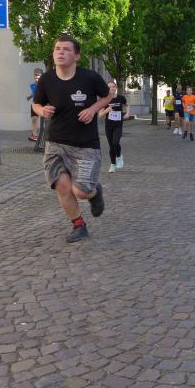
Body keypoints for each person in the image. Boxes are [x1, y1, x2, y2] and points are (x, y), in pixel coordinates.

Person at [32, 34, 113, 243]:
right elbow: (36, 103)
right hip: (55, 144)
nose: (60, 52)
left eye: (66, 49)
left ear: (76, 56)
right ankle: (78, 225)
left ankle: (94, 193)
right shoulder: (47, 79)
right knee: (62, 186)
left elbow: (108, 96)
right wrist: (42, 111)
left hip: (85, 146)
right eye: (57, 48)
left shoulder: (90, 77)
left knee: (81, 191)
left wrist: (93, 109)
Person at [99, 80, 130, 172]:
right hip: (109, 125)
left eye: (113, 86)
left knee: (115, 142)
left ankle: (119, 157)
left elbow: (127, 105)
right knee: (111, 146)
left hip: (118, 124)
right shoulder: (105, 99)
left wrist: (127, 113)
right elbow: (100, 115)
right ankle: (113, 165)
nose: (112, 88)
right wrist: (107, 110)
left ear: (115, 88)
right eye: (109, 87)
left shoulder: (121, 98)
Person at [27, 68, 43, 141]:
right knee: (34, 119)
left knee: (45, 120)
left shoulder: (44, 84)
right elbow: (32, 93)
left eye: (38, 75)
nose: (37, 77)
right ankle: (35, 135)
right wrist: (29, 97)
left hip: (43, 104)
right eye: (36, 76)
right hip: (34, 104)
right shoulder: (32, 85)